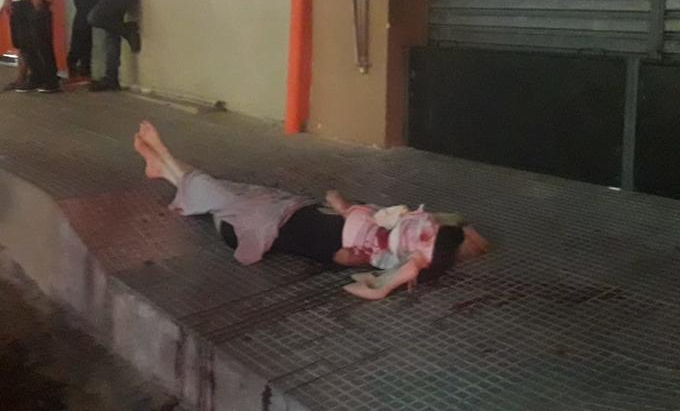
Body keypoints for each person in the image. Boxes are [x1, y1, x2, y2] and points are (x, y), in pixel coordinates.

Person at [132, 121, 490, 300]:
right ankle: (163, 169)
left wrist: (381, 283)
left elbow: (378, 276)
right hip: (283, 206)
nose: (417, 226)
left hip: (253, 227)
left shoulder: (371, 252)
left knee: (221, 196)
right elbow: (448, 222)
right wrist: (344, 206)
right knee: (229, 190)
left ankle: (166, 160)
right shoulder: (396, 231)